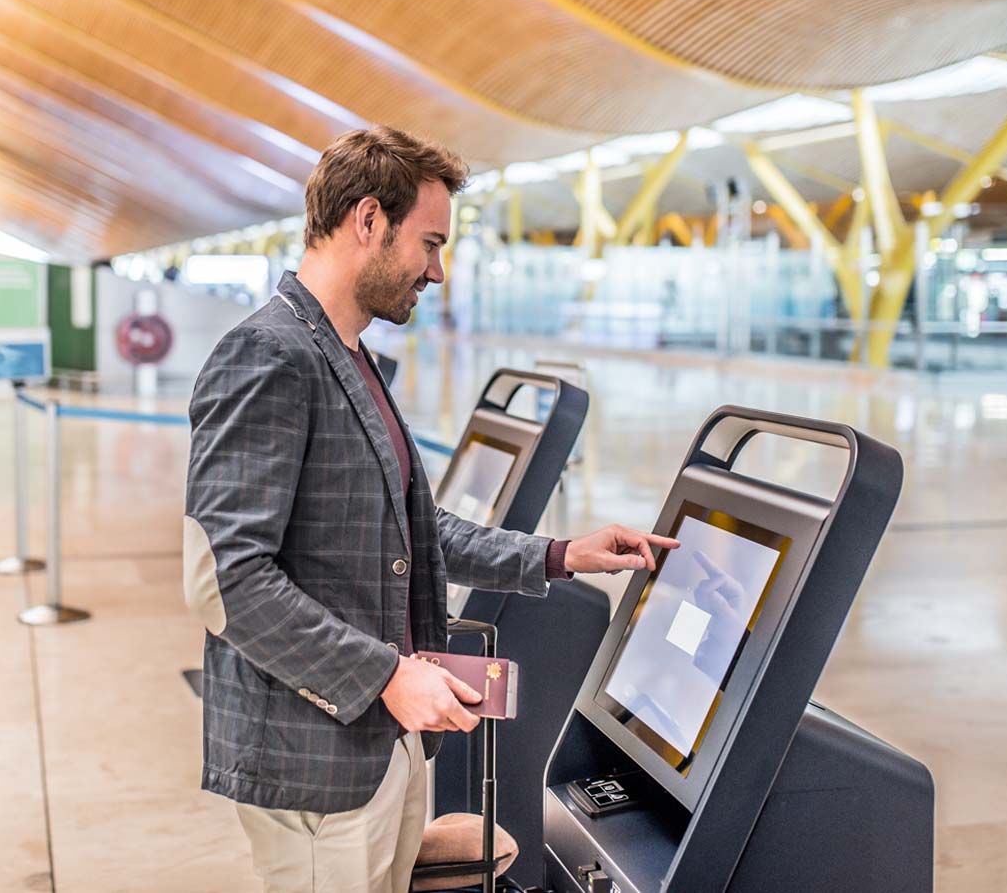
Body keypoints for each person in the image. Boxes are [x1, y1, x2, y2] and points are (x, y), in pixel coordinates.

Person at [183, 126, 677, 893]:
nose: (438, 272)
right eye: (431, 243)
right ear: (369, 220)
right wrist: (384, 675)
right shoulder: (270, 354)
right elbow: (227, 578)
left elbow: (417, 529)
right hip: (319, 759)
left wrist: (560, 554)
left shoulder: (347, 357)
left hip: (381, 741)